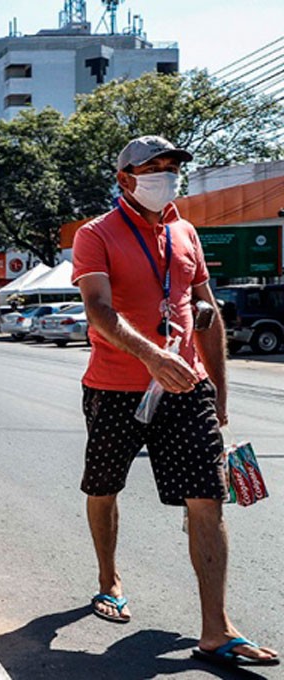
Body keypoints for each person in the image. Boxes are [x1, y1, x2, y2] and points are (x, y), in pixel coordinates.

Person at [72, 135, 278, 668]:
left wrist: (220, 394)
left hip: (188, 388)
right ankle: (108, 578)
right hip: (115, 386)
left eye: (171, 167)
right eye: (153, 167)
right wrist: (150, 356)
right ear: (125, 179)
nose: (165, 174)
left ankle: (216, 629)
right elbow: (98, 309)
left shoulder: (186, 232)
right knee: (103, 485)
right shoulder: (95, 235)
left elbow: (206, 312)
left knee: (208, 498)